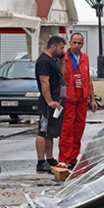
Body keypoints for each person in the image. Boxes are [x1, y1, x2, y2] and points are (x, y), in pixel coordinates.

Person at [58, 33, 97, 169]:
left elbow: (88, 80)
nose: (76, 45)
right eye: (74, 43)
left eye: (79, 43)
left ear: (82, 44)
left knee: (78, 129)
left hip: (81, 99)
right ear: (70, 42)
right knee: (67, 129)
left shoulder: (85, 58)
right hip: (68, 99)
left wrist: (92, 99)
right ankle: (64, 159)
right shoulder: (63, 58)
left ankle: (73, 158)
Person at [35, 36, 66, 173]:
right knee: (43, 130)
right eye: (61, 48)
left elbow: (61, 77)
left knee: (50, 132)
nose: (62, 50)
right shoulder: (43, 61)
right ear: (53, 47)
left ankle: (50, 158)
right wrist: (49, 101)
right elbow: (44, 82)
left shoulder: (53, 61)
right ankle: (41, 161)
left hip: (56, 101)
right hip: (48, 102)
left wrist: (63, 61)